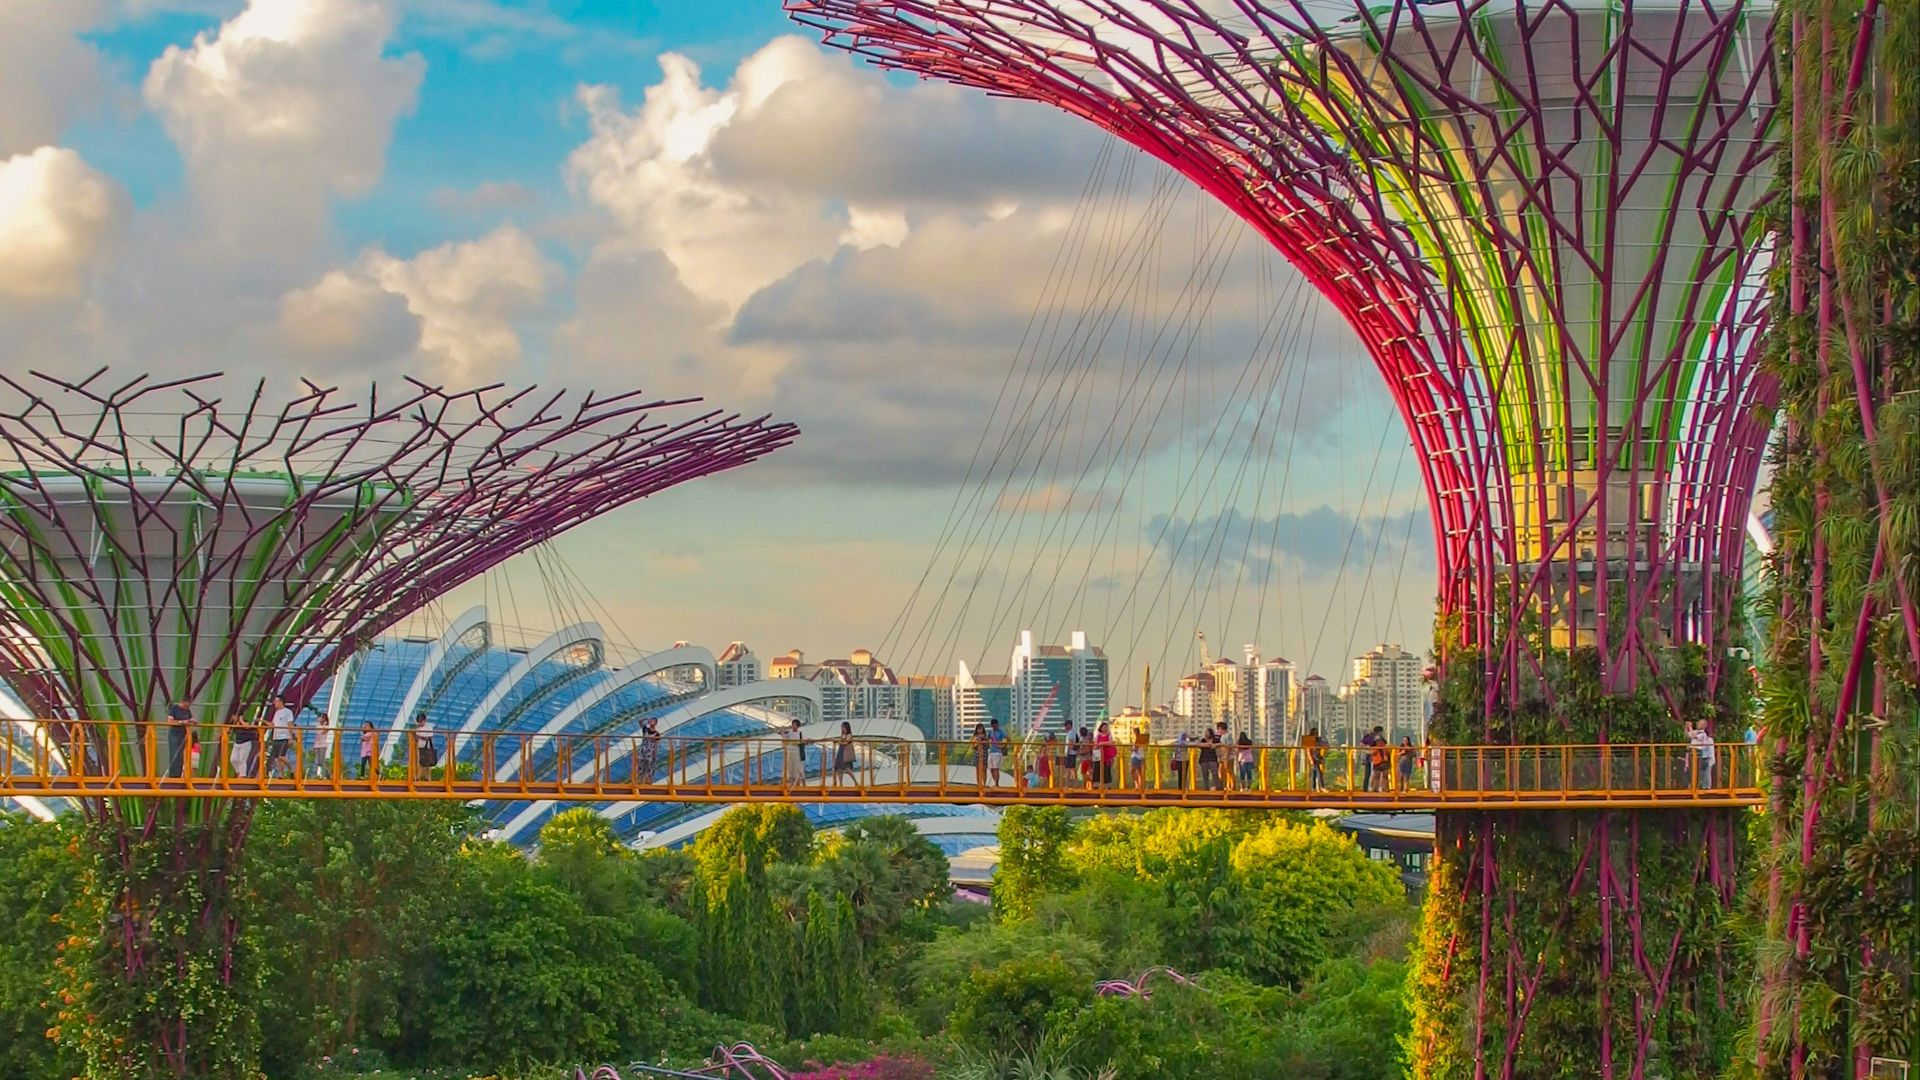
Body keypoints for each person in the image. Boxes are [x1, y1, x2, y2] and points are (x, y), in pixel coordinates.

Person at [266, 696, 295, 779]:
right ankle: (281, 774)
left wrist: (291, 737)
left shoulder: (288, 712)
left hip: (284, 736)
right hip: (276, 737)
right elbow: (273, 725)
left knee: (281, 756)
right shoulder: (277, 712)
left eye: (276, 701)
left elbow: (290, 724)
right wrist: (263, 721)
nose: (275, 703)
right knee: (278, 758)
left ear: (281, 702)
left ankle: (291, 768)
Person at [164, 699, 192, 779]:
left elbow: (190, 718)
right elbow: (170, 722)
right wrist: (182, 722)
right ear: (182, 702)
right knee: (174, 754)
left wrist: (192, 721)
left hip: (183, 735)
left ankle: (178, 775)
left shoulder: (187, 711)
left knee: (180, 756)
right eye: (185, 706)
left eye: (188, 706)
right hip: (174, 734)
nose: (187, 708)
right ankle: (173, 776)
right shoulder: (174, 709)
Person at [1689, 720, 1716, 788]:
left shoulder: (1704, 736)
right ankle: (1701, 786)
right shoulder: (1697, 732)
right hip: (1703, 756)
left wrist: (1690, 727)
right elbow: (1689, 734)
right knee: (1701, 773)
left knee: (1706, 773)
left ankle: (1706, 787)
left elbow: (1709, 751)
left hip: (1707, 757)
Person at [411, 711, 438, 778]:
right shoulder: (418, 728)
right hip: (419, 747)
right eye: (419, 722)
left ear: (424, 720)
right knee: (419, 762)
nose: (419, 723)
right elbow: (416, 737)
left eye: (421, 721)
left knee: (427, 763)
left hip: (427, 748)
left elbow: (429, 738)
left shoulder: (429, 727)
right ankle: (418, 777)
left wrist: (420, 736)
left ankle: (428, 777)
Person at [782, 717, 807, 786]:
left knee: (799, 767)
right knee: (790, 767)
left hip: (797, 752)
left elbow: (805, 740)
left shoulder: (800, 734)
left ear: (798, 726)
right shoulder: (789, 733)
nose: (794, 726)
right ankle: (791, 783)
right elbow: (783, 735)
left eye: (795, 725)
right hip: (790, 752)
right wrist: (783, 730)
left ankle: (802, 783)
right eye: (793, 724)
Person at [636, 717, 662, 783]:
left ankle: (648, 781)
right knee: (640, 765)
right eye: (651, 720)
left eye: (654, 721)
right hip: (643, 750)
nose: (652, 722)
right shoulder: (645, 729)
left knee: (649, 766)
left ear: (656, 723)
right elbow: (640, 722)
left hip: (650, 752)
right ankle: (639, 781)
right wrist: (647, 719)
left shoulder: (657, 734)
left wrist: (655, 754)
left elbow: (656, 744)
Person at [833, 721, 857, 786]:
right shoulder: (843, 735)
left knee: (847, 768)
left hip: (845, 752)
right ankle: (840, 784)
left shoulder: (849, 735)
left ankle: (856, 782)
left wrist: (839, 742)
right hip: (841, 751)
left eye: (843, 727)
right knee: (839, 769)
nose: (842, 729)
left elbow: (846, 743)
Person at [1367, 726, 1390, 792]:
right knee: (1377, 777)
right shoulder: (1375, 748)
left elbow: (1388, 753)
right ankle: (1375, 789)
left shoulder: (1384, 748)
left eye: (1381, 742)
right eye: (1379, 742)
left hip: (1384, 762)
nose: (1380, 743)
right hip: (1377, 763)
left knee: (1385, 776)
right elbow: (1372, 753)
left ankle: (1385, 789)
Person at [311, 710, 333, 778]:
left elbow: (323, 732)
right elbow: (317, 736)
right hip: (317, 744)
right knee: (318, 762)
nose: (319, 719)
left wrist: (324, 725)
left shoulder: (326, 726)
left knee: (322, 761)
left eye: (320, 717)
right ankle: (326, 773)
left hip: (323, 745)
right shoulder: (318, 726)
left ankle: (325, 775)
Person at [1196, 726, 1219, 791]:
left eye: (1207, 732)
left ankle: (1215, 786)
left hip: (1212, 759)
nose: (1206, 733)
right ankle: (1207, 788)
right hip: (1204, 759)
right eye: (1205, 732)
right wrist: (1208, 744)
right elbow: (1199, 745)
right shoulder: (1203, 740)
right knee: (1205, 774)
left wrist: (1211, 745)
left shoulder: (1215, 740)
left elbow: (1218, 745)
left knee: (1214, 773)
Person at [1095, 721, 1117, 788]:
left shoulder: (1109, 735)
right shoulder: (1097, 736)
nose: (1106, 728)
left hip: (1106, 755)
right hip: (1099, 755)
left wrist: (1102, 743)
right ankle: (1097, 784)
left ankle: (1107, 785)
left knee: (1106, 770)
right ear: (1101, 728)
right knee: (1097, 769)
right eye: (1104, 727)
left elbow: (1111, 742)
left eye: (1106, 727)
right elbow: (1096, 744)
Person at [987, 719, 1008, 786]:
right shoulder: (991, 732)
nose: (995, 726)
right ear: (992, 725)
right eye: (994, 725)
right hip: (991, 752)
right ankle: (995, 782)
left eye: (996, 725)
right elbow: (987, 739)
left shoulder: (1001, 732)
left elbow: (1008, 738)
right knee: (991, 768)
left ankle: (996, 784)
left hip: (998, 752)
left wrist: (1003, 746)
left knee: (996, 768)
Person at [1130, 724, 1149, 789]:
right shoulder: (1141, 738)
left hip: (1136, 756)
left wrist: (1130, 749)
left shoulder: (1138, 738)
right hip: (1141, 756)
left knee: (1133, 771)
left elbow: (1136, 749)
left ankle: (1137, 785)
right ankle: (1140, 786)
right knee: (1139, 772)